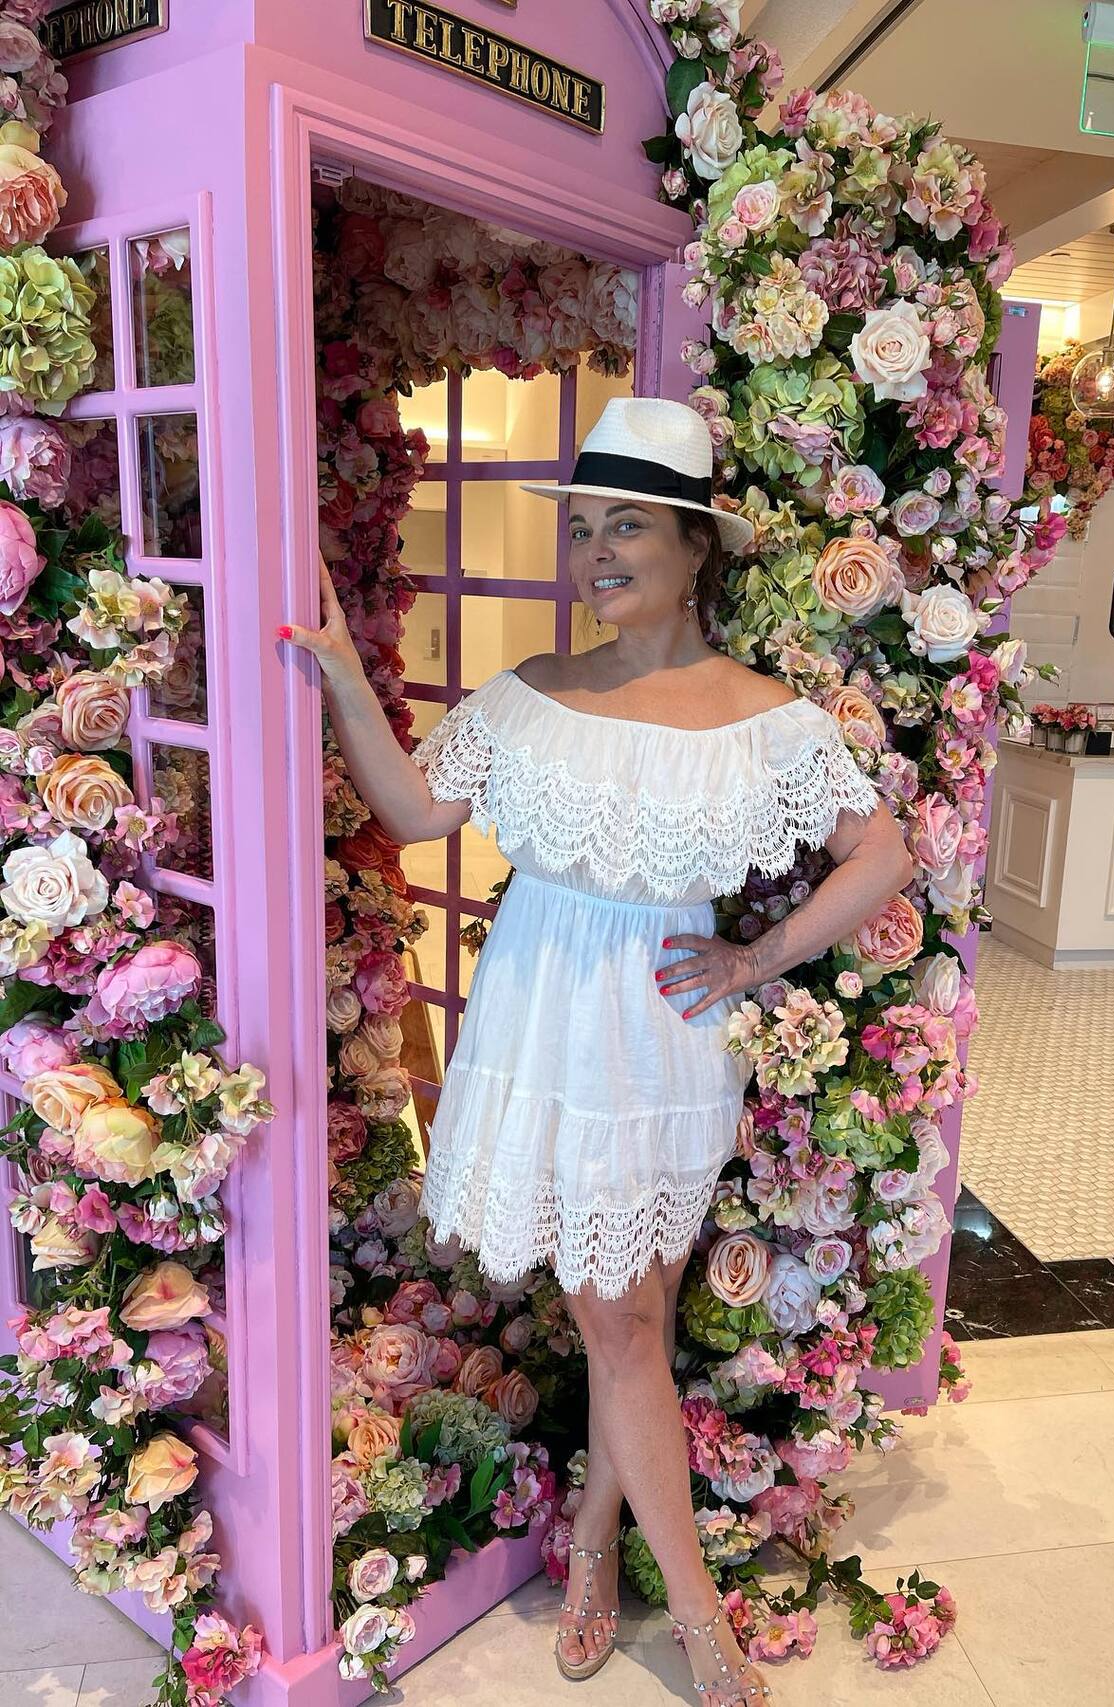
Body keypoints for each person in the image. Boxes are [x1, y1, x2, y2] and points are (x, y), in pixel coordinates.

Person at [281, 395, 914, 1705]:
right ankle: (687, 1613)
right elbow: (412, 811)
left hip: (663, 1041)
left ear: (695, 547)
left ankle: (593, 1545)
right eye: (582, 530)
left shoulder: (770, 720)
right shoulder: (531, 695)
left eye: (627, 525)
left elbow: (882, 855)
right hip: (540, 1024)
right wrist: (343, 675)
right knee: (623, 1326)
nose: (598, 553)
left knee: (638, 1320)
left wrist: (754, 959)